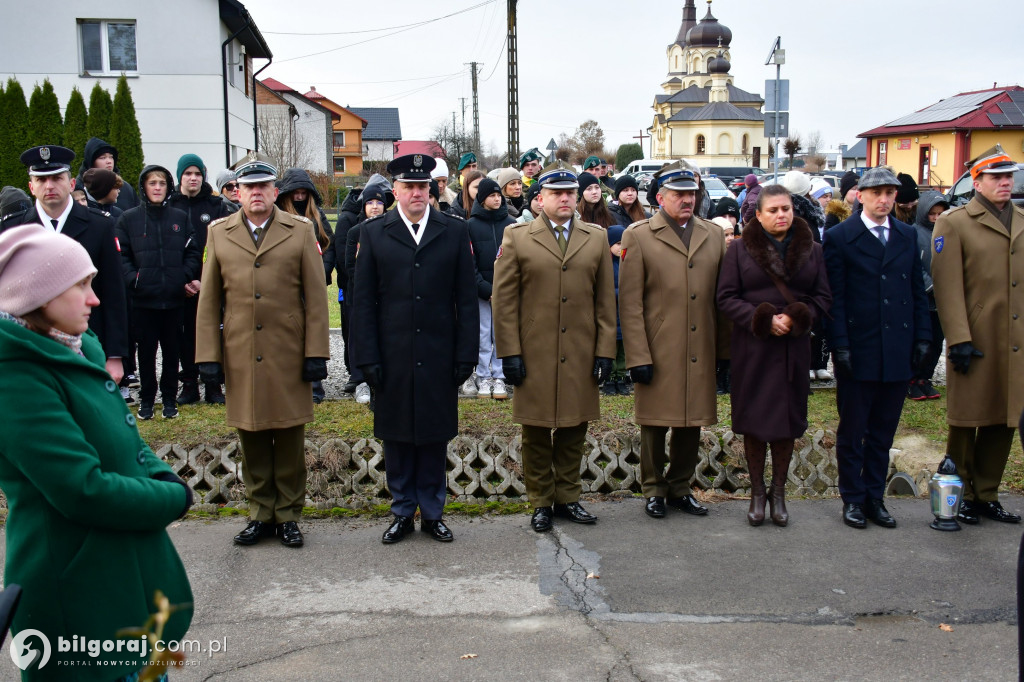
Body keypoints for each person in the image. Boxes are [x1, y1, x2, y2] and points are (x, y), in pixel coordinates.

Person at [0, 225, 192, 678]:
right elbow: (81, 489)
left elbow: (126, 441)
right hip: (78, 591)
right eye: (81, 286)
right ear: (38, 296)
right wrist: (174, 497)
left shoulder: (78, 346)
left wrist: (162, 474)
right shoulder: (14, 377)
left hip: (126, 578)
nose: (96, 299)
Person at [195, 160, 330, 548]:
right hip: (241, 351)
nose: (256, 193)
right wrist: (208, 355)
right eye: (248, 187)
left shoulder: (300, 231)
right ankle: (259, 514)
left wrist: (316, 352)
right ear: (236, 192)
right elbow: (209, 301)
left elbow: (317, 298)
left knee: (289, 436)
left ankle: (288, 515)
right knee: (251, 435)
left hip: (287, 350)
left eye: (264, 186)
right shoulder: (219, 233)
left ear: (276, 191)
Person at [350, 154, 478, 543]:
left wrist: (465, 355)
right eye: (408, 187)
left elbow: (467, 300)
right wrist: (366, 359)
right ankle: (403, 510)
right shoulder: (372, 233)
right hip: (393, 355)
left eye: (423, 187)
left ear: (432, 190)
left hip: (439, 352)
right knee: (398, 435)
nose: (416, 194)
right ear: (395, 192)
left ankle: (433, 512)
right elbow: (363, 302)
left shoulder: (454, 232)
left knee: (434, 436)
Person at [493, 162, 616, 532]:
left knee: (574, 427)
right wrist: (510, 353)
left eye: (570, 193)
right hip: (535, 349)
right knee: (535, 429)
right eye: (557, 193)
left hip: (580, 348)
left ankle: (568, 497)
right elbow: (504, 300)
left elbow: (604, 301)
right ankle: (541, 501)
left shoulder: (595, 237)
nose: (565, 199)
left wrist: (606, 351)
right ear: (540, 199)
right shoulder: (517, 236)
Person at [717, 184, 832, 526]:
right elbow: (725, 297)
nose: (781, 215)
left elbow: (824, 297)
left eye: (786, 209)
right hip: (753, 348)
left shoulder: (812, 250)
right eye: (773, 210)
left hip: (792, 350)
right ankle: (756, 493)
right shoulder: (739, 251)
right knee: (754, 422)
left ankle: (778, 494)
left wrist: (796, 317)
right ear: (759, 215)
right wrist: (764, 319)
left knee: (786, 423)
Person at [824, 167, 931, 529]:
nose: (884, 199)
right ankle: (852, 499)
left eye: (890, 193)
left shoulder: (905, 234)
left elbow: (918, 291)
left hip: (897, 347)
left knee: (883, 432)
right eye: (877, 193)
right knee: (854, 431)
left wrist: (922, 338)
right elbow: (834, 299)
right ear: (861, 196)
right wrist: (839, 346)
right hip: (860, 346)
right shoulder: (841, 237)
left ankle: (874, 497)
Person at [618, 164, 726, 521]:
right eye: (679, 194)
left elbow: (720, 298)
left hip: (700, 344)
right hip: (658, 343)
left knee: (690, 420)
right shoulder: (640, 235)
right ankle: (653, 488)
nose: (687, 199)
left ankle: (681, 486)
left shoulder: (713, 234)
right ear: (660, 197)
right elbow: (630, 302)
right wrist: (637, 354)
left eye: (692, 193)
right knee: (654, 421)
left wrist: (723, 351)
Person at [932, 148, 1024, 525]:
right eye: (997, 177)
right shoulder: (955, 222)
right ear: (977, 181)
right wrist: (958, 338)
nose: (1005, 183)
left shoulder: (1020, 219)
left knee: (1004, 418)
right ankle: (960, 494)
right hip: (976, 337)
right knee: (967, 419)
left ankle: (986, 493)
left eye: (1009, 176)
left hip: (1013, 339)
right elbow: (946, 286)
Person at [4, 145, 129, 387]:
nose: (49, 186)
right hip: (31, 343)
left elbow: (114, 292)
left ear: (71, 184)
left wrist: (114, 355)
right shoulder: (13, 230)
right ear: (31, 186)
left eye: (56, 178)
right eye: (41, 179)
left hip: (89, 341)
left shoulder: (99, 227)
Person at [116, 165, 201, 420]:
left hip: (174, 299)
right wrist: (136, 280)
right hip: (143, 300)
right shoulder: (128, 219)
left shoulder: (179, 217)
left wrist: (182, 277)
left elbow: (193, 251)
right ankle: (147, 398)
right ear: (143, 186)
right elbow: (122, 257)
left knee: (172, 350)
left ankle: (169, 398)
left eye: (162, 183)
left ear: (168, 186)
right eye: (152, 183)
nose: (157, 188)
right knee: (147, 352)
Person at [168, 153, 237, 407]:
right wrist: (183, 280)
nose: (193, 178)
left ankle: (213, 384)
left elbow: (223, 246)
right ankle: (188, 383)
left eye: (197, 174)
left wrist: (204, 280)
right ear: (180, 177)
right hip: (181, 285)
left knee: (214, 333)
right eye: (188, 174)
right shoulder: (170, 205)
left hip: (210, 282)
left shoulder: (216, 205)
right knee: (184, 336)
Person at [276, 167, 335, 404]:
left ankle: (315, 386)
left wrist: (322, 272)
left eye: (303, 193)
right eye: (295, 193)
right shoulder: (278, 216)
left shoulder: (317, 216)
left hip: (313, 286)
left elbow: (329, 246)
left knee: (313, 335)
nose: (299, 197)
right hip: (287, 285)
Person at [344, 178, 394, 406]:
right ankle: (360, 379)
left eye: (379, 202)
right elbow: (350, 266)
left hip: (387, 295)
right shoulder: (355, 232)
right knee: (359, 336)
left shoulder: (391, 229)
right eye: (370, 202)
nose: (375, 206)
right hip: (361, 295)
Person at [467, 177, 515, 400]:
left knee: (502, 334)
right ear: (482, 199)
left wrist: (506, 289)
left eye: (499, 195)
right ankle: (483, 374)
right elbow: (470, 263)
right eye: (492, 195)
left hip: (507, 292)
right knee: (483, 334)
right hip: (483, 292)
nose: (496, 199)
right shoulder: (471, 226)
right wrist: (486, 289)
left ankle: (500, 376)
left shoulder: (512, 224)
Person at [908, 190, 949, 401]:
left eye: (941, 213)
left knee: (936, 341)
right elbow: (913, 264)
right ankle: (912, 378)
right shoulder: (914, 233)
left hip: (942, 299)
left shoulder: (948, 232)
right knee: (920, 340)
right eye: (932, 214)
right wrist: (930, 285)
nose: (936, 218)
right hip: (924, 298)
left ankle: (926, 377)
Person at [76, 136, 140, 212]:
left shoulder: (125, 188)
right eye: (102, 158)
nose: (109, 161)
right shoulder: (78, 188)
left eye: (111, 157)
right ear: (91, 162)